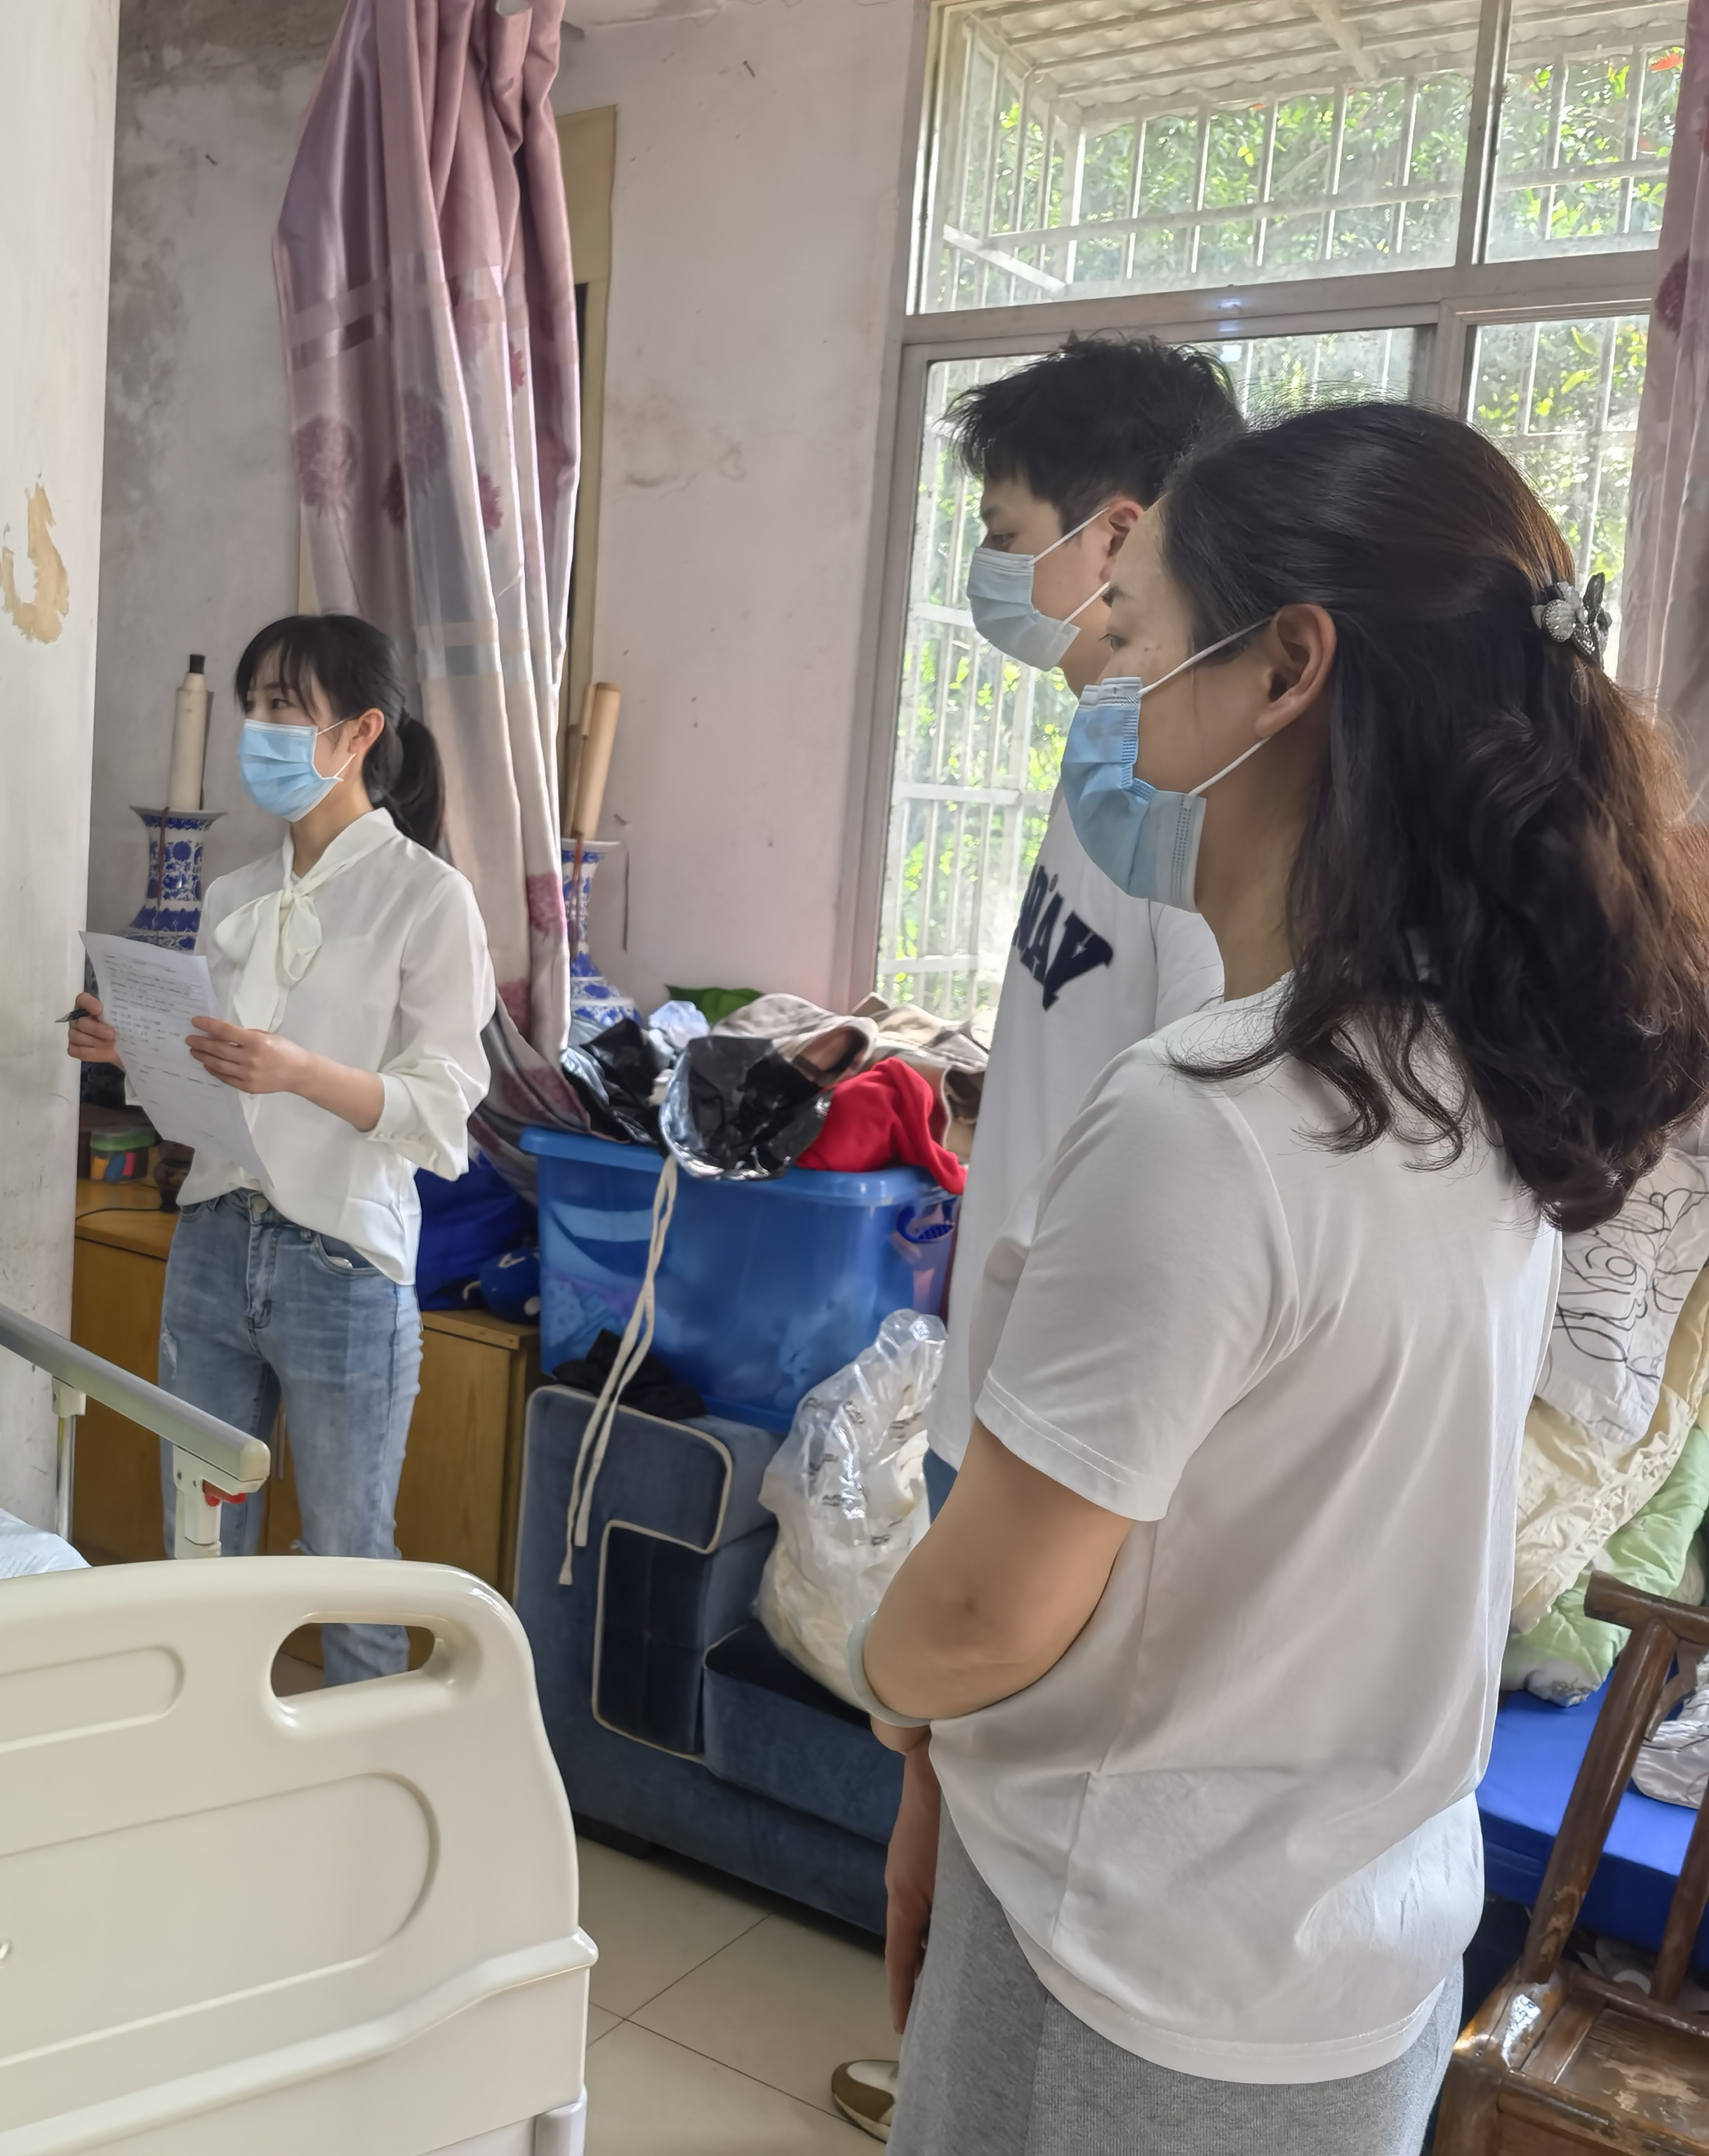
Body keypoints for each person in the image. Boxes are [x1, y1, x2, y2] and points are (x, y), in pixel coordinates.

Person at [862, 401, 1709, 2152]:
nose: (1110, 687)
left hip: (1131, 1963)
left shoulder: (1213, 1113)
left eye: (1138, 634)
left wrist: (895, 1681)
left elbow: (983, 1613)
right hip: (1350, 1960)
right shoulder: (1473, 1072)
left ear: (1285, 667)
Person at [833, 328, 1240, 2148]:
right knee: (942, 1840)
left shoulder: (1200, 807)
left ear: (1117, 533)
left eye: (1008, 534)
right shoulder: (1108, 770)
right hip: (1000, 1386)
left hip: (1071, 1425)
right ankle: (935, 2076)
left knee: (998, 1842)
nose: (991, 576)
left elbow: (1187, 1160)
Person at [67, 613, 490, 1685]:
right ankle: (217, 1757)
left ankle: (366, 1780)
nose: (258, 729)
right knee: (200, 1546)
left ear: (360, 732)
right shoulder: (233, 896)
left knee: (349, 1560)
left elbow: (445, 1110)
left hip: (342, 1258)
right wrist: (133, 1050)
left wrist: (300, 1071)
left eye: (285, 709)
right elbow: (209, 1089)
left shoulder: (428, 898)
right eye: (253, 706)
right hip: (214, 1239)